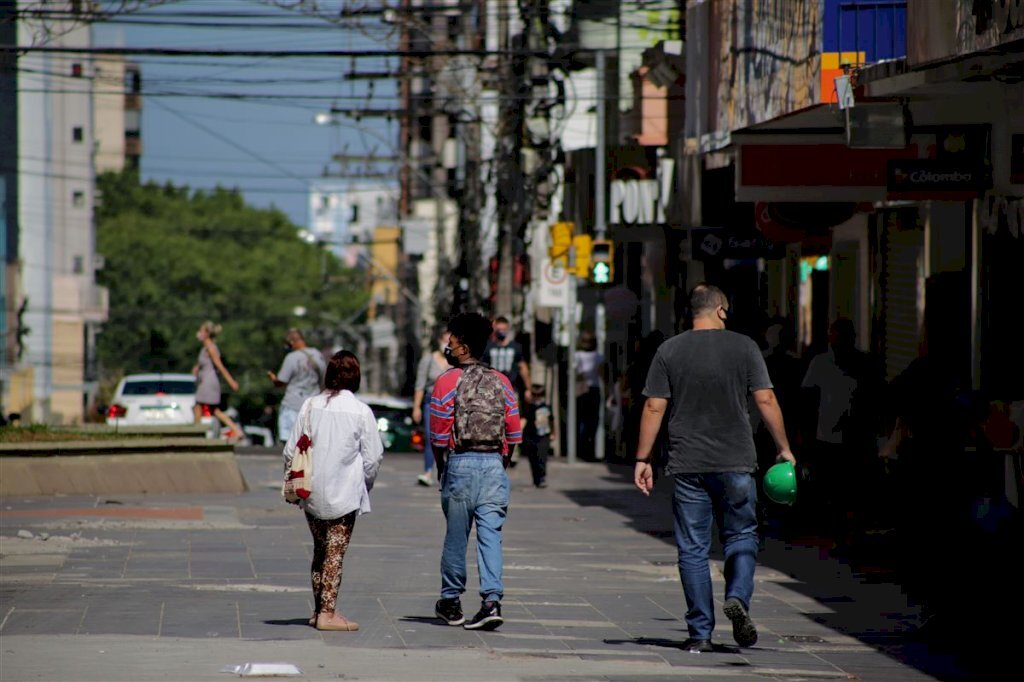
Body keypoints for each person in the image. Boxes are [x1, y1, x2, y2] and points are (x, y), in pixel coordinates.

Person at [633, 283, 796, 654]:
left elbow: (654, 407)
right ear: (721, 309)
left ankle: (700, 633)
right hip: (736, 459)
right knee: (741, 535)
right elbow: (766, 398)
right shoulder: (744, 347)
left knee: (692, 549)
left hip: (688, 463)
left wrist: (643, 459)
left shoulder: (668, 350)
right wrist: (784, 448)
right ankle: (737, 595)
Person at [430, 312, 522, 631]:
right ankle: (491, 602)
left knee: (456, 537)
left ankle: (451, 602)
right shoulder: (503, 381)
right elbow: (514, 431)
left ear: (464, 346)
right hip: (494, 465)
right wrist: (500, 461)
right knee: (490, 537)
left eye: (452, 340)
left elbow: (439, 435)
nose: (448, 344)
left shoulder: (445, 382)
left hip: (460, 464)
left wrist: (444, 468)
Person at [283, 350, 384, 632]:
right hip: (345, 493)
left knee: (320, 550)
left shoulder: (310, 405)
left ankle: (319, 610)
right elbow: (373, 456)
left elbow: (290, 449)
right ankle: (328, 613)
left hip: (311, 492)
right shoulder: (361, 411)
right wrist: (365, 483)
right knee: (335, 554)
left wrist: (294, 483)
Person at [799, 318, 884, 547]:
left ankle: (852, 533)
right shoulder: (820, 363)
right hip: (827, 437)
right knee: (833, 489)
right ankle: (838, 532)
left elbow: (876, 399)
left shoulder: (864, 364)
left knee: (854, 489)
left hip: (857, 438)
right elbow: (808, 399)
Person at [268, 329, 326, 444]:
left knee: (290, 443)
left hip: (293, 405)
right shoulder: (318, 354)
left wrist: (272, 378)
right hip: (313, 405)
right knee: (310, 443)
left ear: (291, 342)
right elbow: (324, 378)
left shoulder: (291, 357)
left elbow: (281, 382)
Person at [192, 320, 244, 440]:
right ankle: (236, 430)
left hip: (208, 383)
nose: (198, 334)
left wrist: (231, 381)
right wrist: (196, 368)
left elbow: (219, 366)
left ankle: (196, 434)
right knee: (213, 410)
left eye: (200, 331)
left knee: (198, 407)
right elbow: (202, 364)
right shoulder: (204, 349)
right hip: (205, 381)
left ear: (206, 333)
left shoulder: (211, 348)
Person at [412, 328, 450, 487]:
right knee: (430, 437)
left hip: (450, 404)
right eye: (445, 341)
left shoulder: (455, 360)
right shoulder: (428, 359)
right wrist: (416, 407)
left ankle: (448, 473)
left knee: (450, 439)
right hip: (431, 402)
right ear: (439, 341)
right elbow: (420, 385)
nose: (447, 345)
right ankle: (428, 471)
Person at [483, 316, 532, 403]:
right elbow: (482, 369)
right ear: (495, 329)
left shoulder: (515, 347)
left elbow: (523, 368)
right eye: (499, 329)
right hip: (492, 389)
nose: (501, 332)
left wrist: (528, 389)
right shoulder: (488, 347)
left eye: (503, 329)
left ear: (508, 328)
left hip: (511, 389)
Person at [574, 330, 605, 461]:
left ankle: (581, 451)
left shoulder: (577, 355)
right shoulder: (599, 356)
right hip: (593, 389)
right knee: (592, 422)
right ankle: (588, 452)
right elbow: (603, 374)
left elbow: (575, 373)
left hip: (583, 389)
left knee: (582, 421)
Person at [522, 383, 553, 488]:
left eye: (539, 395)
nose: (536, 397)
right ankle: (536, 479)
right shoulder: (528, 407)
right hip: (530, 435)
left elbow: (551, 421)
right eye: (534, 394)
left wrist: (553, 433)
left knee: (541, 457)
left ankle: (542, 477)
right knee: (532, 458)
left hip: (543, 436)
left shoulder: (546, 407)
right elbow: (523, 419)